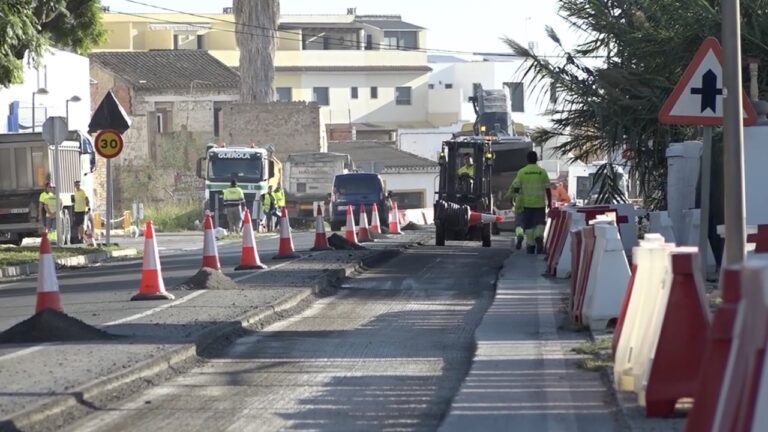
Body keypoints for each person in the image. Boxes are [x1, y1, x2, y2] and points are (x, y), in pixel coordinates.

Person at [510, 150, 551, 254]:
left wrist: (514, 199)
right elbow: (548, 189)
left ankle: (531, 246)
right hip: (540, 204)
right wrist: (550, 202)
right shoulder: (542, 172)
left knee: (528, 226)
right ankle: (538, 237)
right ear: (536, 159)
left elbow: (516, 187)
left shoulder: (522, 172)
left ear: (527, 160)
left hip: (526, 204)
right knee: (540, 223)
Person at [507, 178, 526, 250]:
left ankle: (520, 236)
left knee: (519, 225)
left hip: (519, 208)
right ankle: (532, 244)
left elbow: (512, 199)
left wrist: (513, 205)